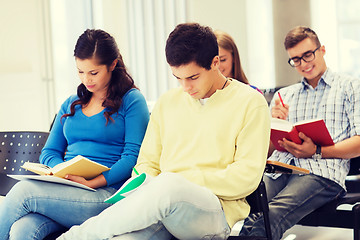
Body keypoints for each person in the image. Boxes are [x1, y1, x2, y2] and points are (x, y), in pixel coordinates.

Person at [56, 23, 270, 240]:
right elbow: (146, 164)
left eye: (193, 77)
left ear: (215, 62)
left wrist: (181, 180)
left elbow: (246, 176)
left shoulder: (250, 103)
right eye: (178, 78)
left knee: (170, 184)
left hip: (214, 212)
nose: (185, 87)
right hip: (162, 206)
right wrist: (147, 182)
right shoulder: (168, 102)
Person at [0, 29, 150, 240]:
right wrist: (61, 172)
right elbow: (49, 152)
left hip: (106, 195)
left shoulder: (132, 101)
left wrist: (92, 182)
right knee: (22, 230)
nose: (86, 79)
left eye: (93, 72)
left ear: (113, 65)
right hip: (66, 190)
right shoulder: (71, 103)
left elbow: (132, 158)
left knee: (22, 192)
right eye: (80, 71)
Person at [240, 26, 360, 240]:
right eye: (296, 60)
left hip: (322, 173)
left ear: (322, 50)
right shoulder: (284, 96)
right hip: (280, 169)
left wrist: (316, 151)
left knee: (273, 213)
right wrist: (272, 123)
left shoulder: (350, 87)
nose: (304, 64)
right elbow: (266, 151)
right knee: (252, 212)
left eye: (308, 55)